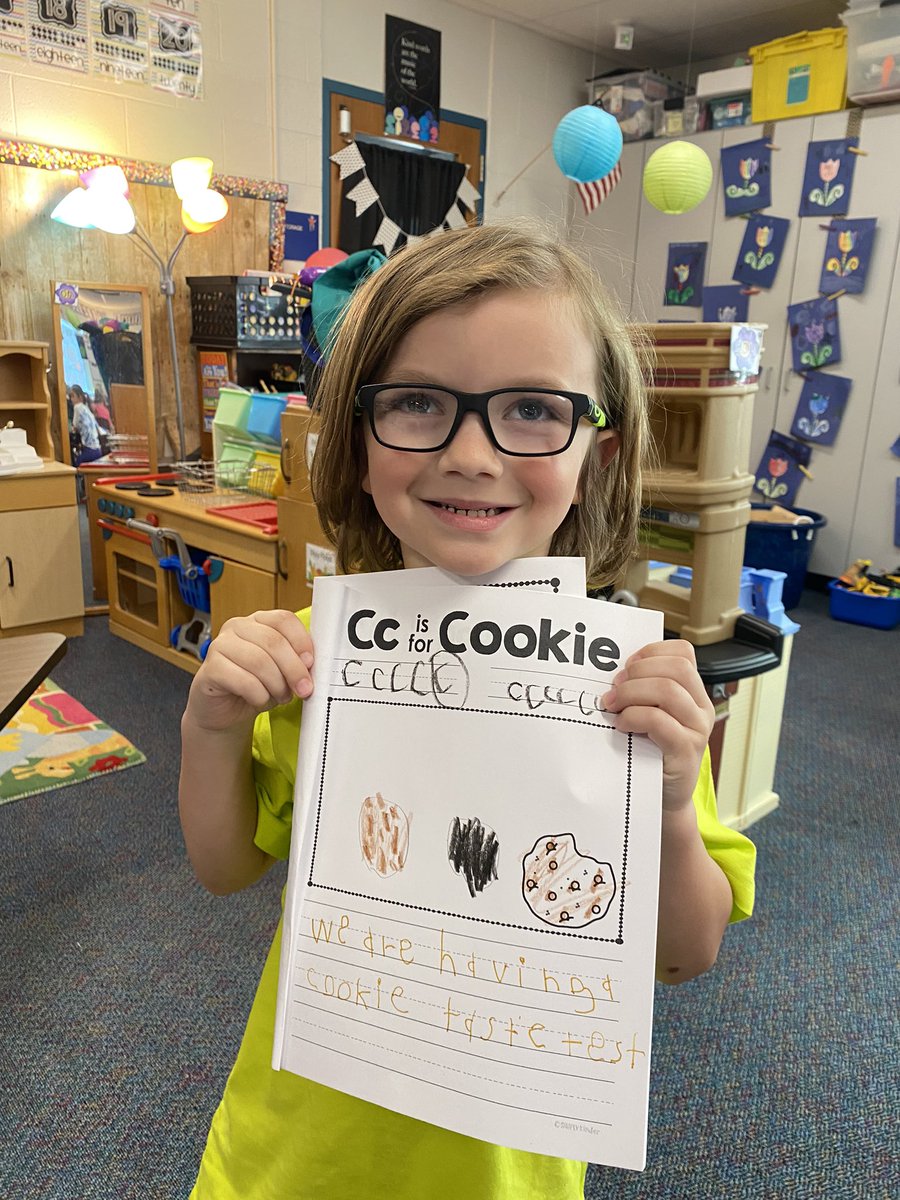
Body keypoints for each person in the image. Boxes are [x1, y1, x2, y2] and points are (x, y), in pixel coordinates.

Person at [179, 221, 756, 1200]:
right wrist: (211, 729)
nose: (473, 454)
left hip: (505, 1174)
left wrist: (667, 807)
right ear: (358, 443)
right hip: (286, 1164)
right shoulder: (323, 662)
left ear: (594, 458)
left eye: (532, 409)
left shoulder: (631, 695)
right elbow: (226, 865)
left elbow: (686, 952)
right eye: (417, 405)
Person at [69, 385, 103, 466]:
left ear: (80, 397)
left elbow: (75, 426)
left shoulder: (77, 407)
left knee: (75, 467)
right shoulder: (87, 409)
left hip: (89, 451)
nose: (71, 399)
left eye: (73, 396)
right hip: (98, 450)